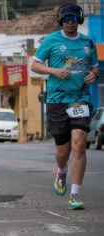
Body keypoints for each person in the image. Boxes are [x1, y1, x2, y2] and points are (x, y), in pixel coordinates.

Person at [31, 2, 99, 210]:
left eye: (74, 19)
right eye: (66, 19)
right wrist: (53, 71)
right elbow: (34, 65)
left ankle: (75, 195)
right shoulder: (52, 40)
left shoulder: (88, 42)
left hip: (80, 98)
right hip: (57, 100)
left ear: (79, 20)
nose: (70, 23)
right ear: (61, 20)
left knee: (79, 143)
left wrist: (93, 75)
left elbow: (95, 68)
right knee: (63, 150)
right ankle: (61, 171)